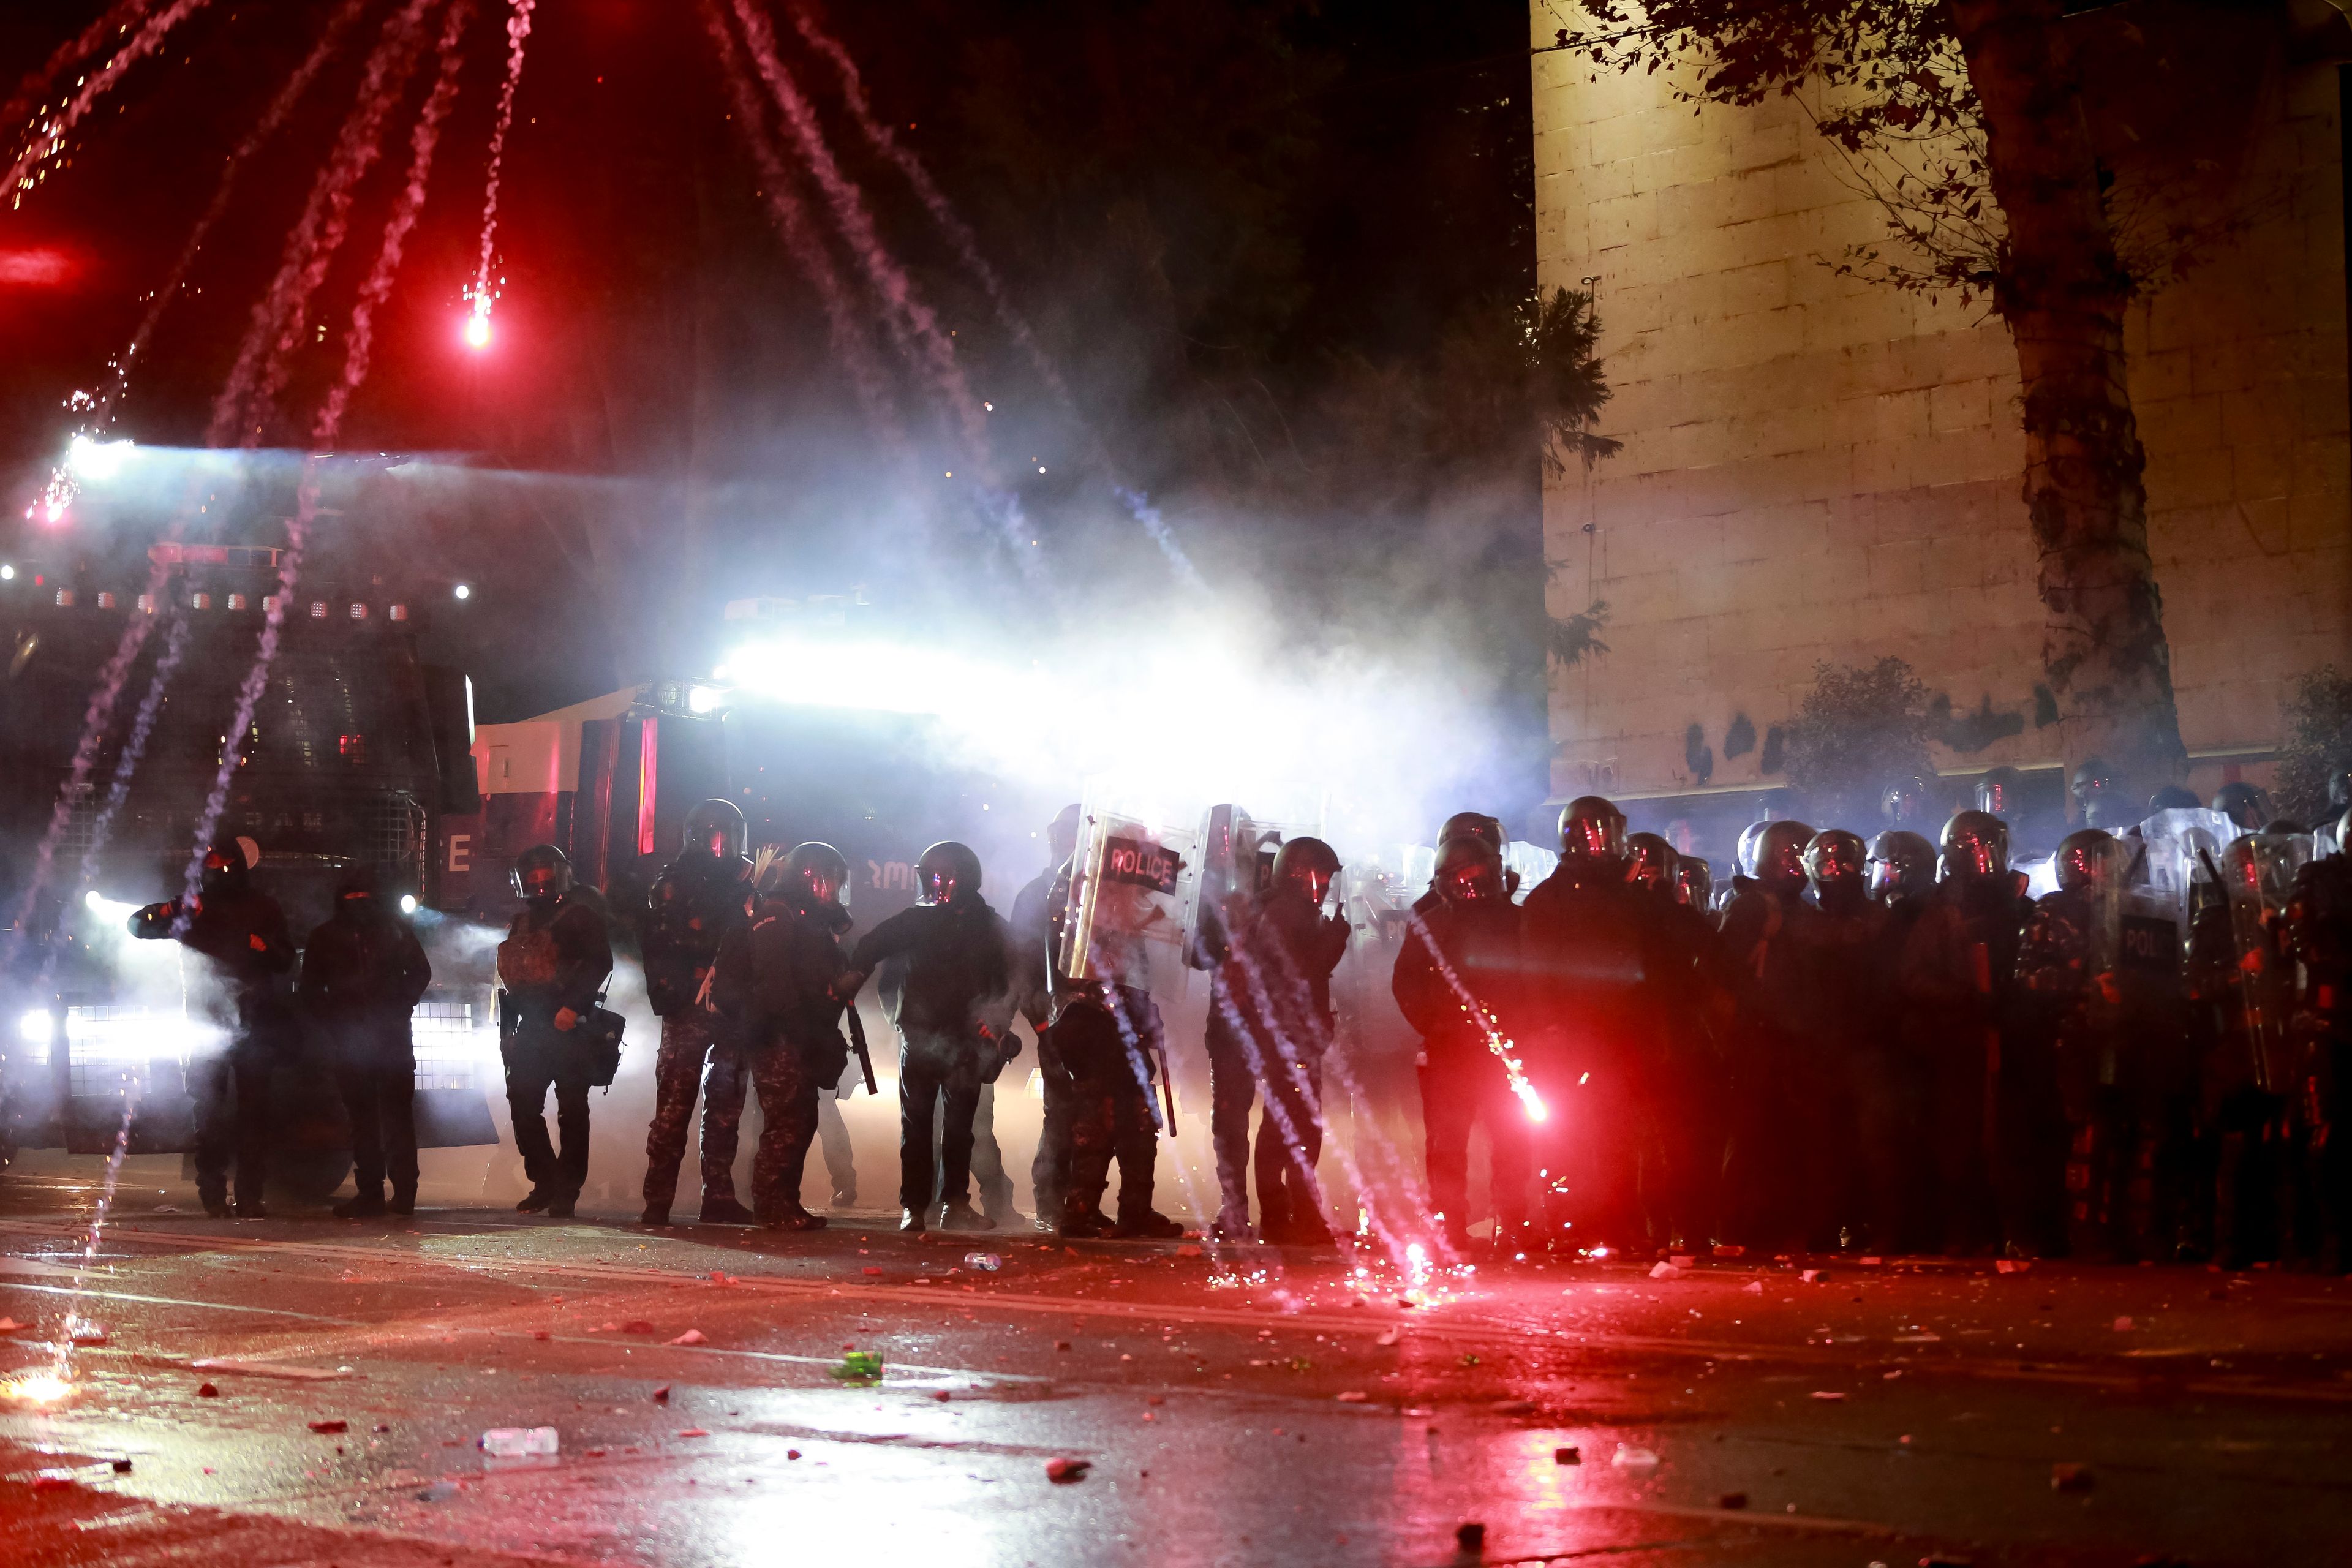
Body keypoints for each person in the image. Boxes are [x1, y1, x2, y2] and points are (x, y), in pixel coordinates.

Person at [840, 841, 1016, 1233]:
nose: (933, 886)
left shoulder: (977, 925)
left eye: (938, 878)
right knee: (932, 1126)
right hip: (930, 1039)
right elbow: (870, 946)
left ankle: (936, 1206)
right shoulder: (947, 922)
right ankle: (927, 1206)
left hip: (958, 1041)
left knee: (937, 1127)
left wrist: (1000, 1024)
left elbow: (1014, 974)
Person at [128, 842, 296, 1218]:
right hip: (207, 1025)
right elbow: (137, 926)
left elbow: (286, 959)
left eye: (224, 863)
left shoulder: (263, 906)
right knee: (210, 1114)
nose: (218, 869)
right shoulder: (194, 908)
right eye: (211, 864)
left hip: (254, 1025)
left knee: (254, 1115)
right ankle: (214, 1194)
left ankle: (250, 1196)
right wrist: (172, 909)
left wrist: (262, 946)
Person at [1520, 796, 1654, 1250]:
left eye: (1611, 834)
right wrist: (1552, 1030)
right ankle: (1569, 1224)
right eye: (1598, 835)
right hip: (1571, 1041)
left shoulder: (1626, 898)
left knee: (1619, 1136)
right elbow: (1534, 974)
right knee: (1569, 1137)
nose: (1608, 846)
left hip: (1621, 1037)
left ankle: (1619, 1223)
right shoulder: (1549, 900)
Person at [1897, 811, 2033, 1254]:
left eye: (1991, 847)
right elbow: (1914, 976)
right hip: (1957, 1041)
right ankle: (1961, 1232)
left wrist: (2015, 1001)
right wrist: (1965, 999)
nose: (1984, 859)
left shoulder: (2021, 906)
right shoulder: (1940, 913)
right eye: (1973, 849)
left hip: (2013, 1039)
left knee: (2013, 1141)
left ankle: (2011, 1231)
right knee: (1959, 1140)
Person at [709, 842, 856, 1230]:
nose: (836, 891)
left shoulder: (803, 917)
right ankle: (774, 1206)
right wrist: (798, 1030)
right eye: (832, 882)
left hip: (798, 1032)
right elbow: (775, 979)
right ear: (813, 878)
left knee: (800, 1119)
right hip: (780, 1036)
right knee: (787, 1121)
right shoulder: (777, 913)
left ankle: (783, 1203)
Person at [1395, 835, 1528, 1252]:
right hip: (1451, 1053)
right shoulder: (1432, 926)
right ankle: (1448, 1224)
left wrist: (1526, 1029)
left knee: (1512, 1142)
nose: (1472, 883)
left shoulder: (1518, 921)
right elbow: (1406, 985)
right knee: (1447, 1145)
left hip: (1504, 1054)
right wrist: (1437, 1026)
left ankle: (1512, 1221)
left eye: (1478, 872)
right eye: (1463, 876)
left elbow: (1537, 979)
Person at [639, 800, 755, 1227]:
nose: (727, 847)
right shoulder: (674, 883)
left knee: (725, 1106)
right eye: (719, 836)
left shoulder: (743, 881)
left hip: (728, 1006)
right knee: (674, 1107)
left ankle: (719, 1196)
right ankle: (658, 1200)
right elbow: (670, 941)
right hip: (688, 1005)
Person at [298, 867, 432, 1219]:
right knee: (386, 1119)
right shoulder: (389, 930)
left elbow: (310, 990)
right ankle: (397, 1195)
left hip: (374, 1040)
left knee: (374, 1120)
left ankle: (382, 1194)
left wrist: (339, 1022)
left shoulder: (328, 935)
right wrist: (398, 1006)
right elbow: (420, 972)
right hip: (379, 1039)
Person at [1235, 837, 1351, 1244]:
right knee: (1291, 1126)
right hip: (1288, 1036)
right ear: (1300, 875)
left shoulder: (1287, 911)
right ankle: (1288, 1216)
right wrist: (1335, 940)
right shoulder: (1286, 914)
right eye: (1320, 875)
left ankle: (1291, 1214)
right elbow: (1301, 974)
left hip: (1288, 1035)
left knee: (1293, 1124)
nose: (1324, 884)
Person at [496, 844, 614, 1219]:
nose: (540, 882)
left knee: (572, 1112)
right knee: (523, 1105)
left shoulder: (581, 916)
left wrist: (574, 1007)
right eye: (532, 877)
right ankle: (545, 1182)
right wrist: (510, 1029)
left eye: (545, 874)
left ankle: (567, 1189)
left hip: (569, 1028)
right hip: (531, 1024)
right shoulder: (521, 922)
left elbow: (600, 962)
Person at [1717, 819, 1817, 1246]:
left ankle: (1777, 1225)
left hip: (1792, 1036)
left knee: (1787, 1135)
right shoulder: (1752, 906)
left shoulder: (1801, 908)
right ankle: (1740, 1226)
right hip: (1758, 1035)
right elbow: (1725, 969)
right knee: (1751, 1132)